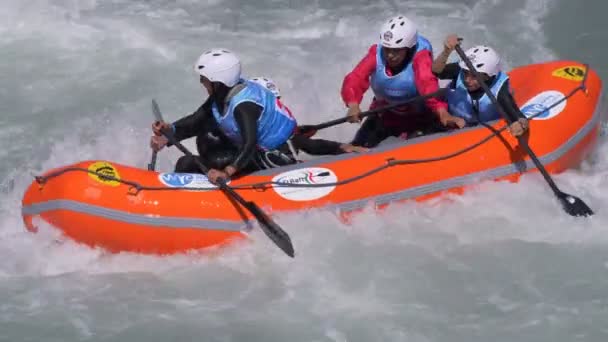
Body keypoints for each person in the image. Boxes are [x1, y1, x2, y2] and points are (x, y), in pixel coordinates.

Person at [150, 48, 298, 184]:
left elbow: (250, 144)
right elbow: (197, 121)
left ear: (218, 82)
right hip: (250, 152)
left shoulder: (243, 106)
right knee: (206, 137)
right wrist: (168, 134)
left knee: (187, 163)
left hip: (273, 158)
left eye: (204, 78)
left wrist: (226, 172)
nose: (201, 82)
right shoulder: (221, 95)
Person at [341, 15, 465, 148]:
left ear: (408, 48)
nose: (390, 55)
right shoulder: (376, 54)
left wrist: (442, 113)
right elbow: (355, 78)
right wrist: (353, 104)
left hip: (420, 117)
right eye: (387, 49)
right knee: (358, 146)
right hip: (385, 114)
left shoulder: (420, 55)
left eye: (396, 51)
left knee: (423, 142)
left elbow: (427, 82)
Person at [432, 35, 529, 137]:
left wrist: (521, 125)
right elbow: (436, 71)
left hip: (481, 131)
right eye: (465, 73)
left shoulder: (500, 90)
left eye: (475, 76)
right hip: (449, 121)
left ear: (488, 76)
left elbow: (518, 116)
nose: (467, 80)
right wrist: (446, 51)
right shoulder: (461, 68)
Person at [249, 76, 369, 156]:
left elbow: (309, 145)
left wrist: (341, 147)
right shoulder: (240, 123)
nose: (276, 107)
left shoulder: (281, 127)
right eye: (272, 103)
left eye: (277, 101)